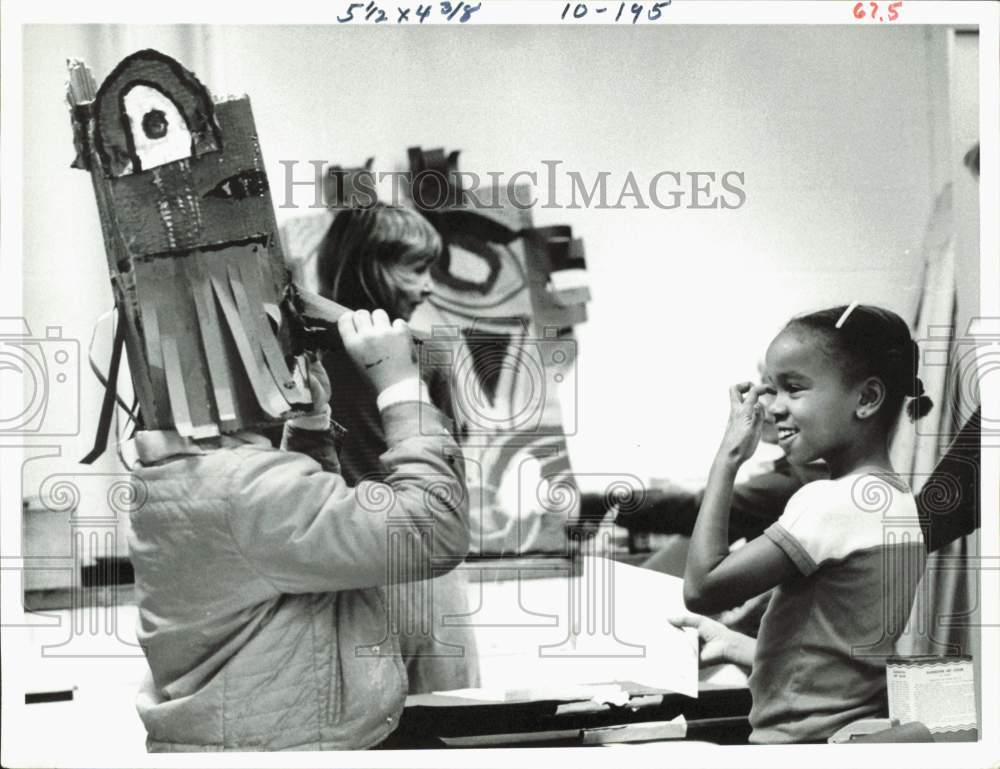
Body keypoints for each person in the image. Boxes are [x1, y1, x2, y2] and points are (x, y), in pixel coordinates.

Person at [129, 310, 470, 751]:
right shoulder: (248, 491)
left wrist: (309, 427)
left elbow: (305, 546)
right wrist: (400, 387)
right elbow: (432, 530)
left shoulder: (184, 474)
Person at [677, 303, 933, 744]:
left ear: (867, 398)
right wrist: (742, 646)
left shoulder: (829, 502)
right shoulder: (898, 498)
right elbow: (838, 663)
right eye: (771, 389)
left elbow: (702, 587)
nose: (773, 408)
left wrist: (728, 456)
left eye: (793, 389)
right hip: (841, 735)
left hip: (796, 745)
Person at [315, 205, 480, 693]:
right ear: (369, 266)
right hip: (383, 563)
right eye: (416, 268)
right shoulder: (316, 353)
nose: (429, 286)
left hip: (392, 562)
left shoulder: (426, 351)